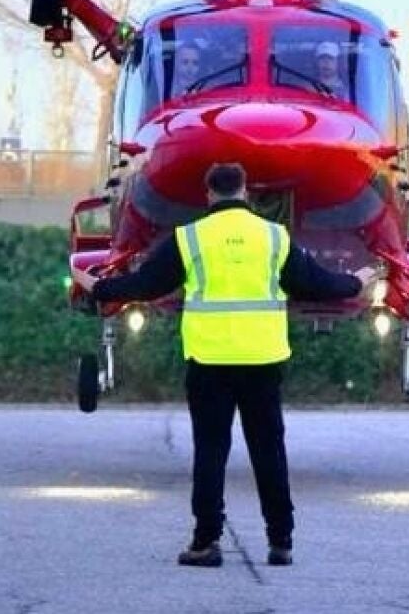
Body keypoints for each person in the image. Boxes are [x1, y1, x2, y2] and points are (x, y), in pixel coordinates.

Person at [71, 162, 375, 569]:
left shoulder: (189, 238)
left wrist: (96, 285)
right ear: (245, 192)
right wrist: (359, 280)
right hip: (262, 360)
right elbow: (317, 283)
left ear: (208, 193)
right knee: (269, 450)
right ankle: (281, 541)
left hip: (210, 361)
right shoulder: (274, 237)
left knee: (211, 451)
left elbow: (144, 285)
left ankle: (206, 542)